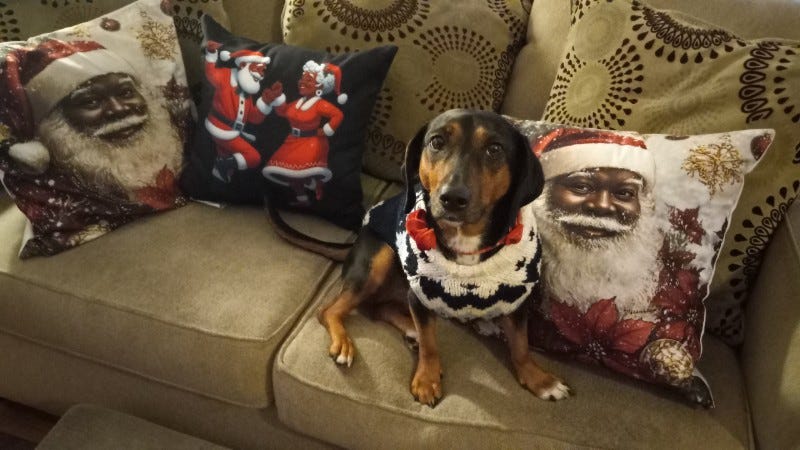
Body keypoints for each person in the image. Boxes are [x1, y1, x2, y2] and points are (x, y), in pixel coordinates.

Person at [2, 39, 184, 206]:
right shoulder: (55, 190)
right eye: (90, 102)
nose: (119, 109)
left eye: (126, 92)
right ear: (56, 120)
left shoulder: (180, 129)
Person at [531, 127, 663, 321]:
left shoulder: (670, 286)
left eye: (624, 193)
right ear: (544, 193)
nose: (602, 206)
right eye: (581, 186)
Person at [260, 60, 347, 206]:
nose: (302, 82)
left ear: (319, 86)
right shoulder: (297, 103)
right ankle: (303, 197)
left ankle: (314, 185)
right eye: (302, 78)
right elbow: (283, 111)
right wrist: (276, 98)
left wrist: (325, 130)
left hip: (311, 143)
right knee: (290, 174)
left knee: (299, 172)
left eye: (309, 80)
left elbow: (338, 115)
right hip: (292, 141)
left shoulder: (320, 104)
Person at [203, 41, 274, 183]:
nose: (260, 75)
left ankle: (220, 175)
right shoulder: (225, 76)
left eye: (262, 71)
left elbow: (253, 117)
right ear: (243, 65)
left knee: (224, 168)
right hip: (220, 128)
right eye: (257, 69)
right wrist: (211, 54)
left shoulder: (248, 90)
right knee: (253, 157)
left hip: (233, 131)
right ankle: (221, 165)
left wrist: (266, 101)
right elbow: (211, 73)